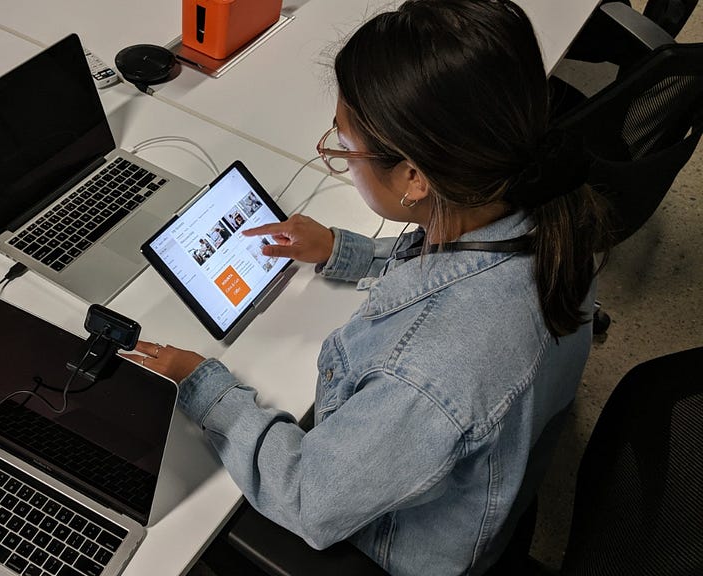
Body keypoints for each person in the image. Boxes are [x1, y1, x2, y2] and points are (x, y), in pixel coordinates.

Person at [122, 1, 610, 574]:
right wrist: (343, 251)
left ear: (412, 177)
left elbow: (308, 497)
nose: (338, 155)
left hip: (401, 548)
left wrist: (199, 384)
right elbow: (457, 269)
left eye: (344, 145)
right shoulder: (548, 209)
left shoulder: (429, 372)